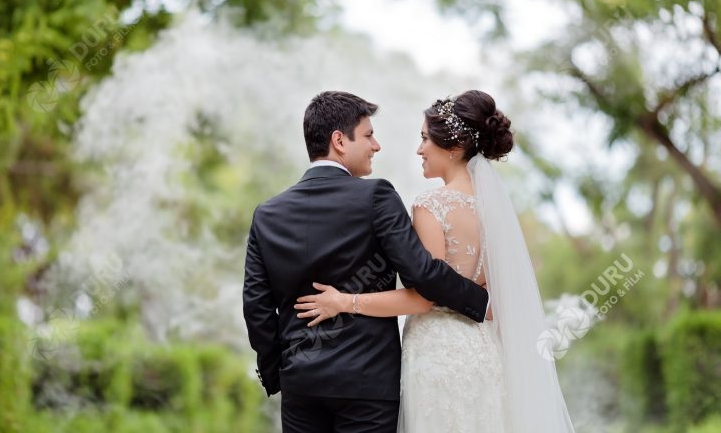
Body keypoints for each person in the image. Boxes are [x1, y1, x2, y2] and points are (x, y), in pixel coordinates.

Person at [296, 91, 575, 432]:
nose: (419, 149)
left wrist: (344, 301)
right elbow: (482, 287)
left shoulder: (431, 205)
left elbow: (423, 297)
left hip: (438, 357)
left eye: (425, 138)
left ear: (454, 148)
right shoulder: (496, 209)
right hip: (485, 350)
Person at [242, 91, 488, 433]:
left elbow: (256, 305)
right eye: (369, 135)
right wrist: (482, 300)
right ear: (339, 141)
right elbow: (422, 273)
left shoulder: (266, 214)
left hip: (301, 384)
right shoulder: (376, 196)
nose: (377, 146)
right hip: (368, 383)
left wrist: (276, 373)